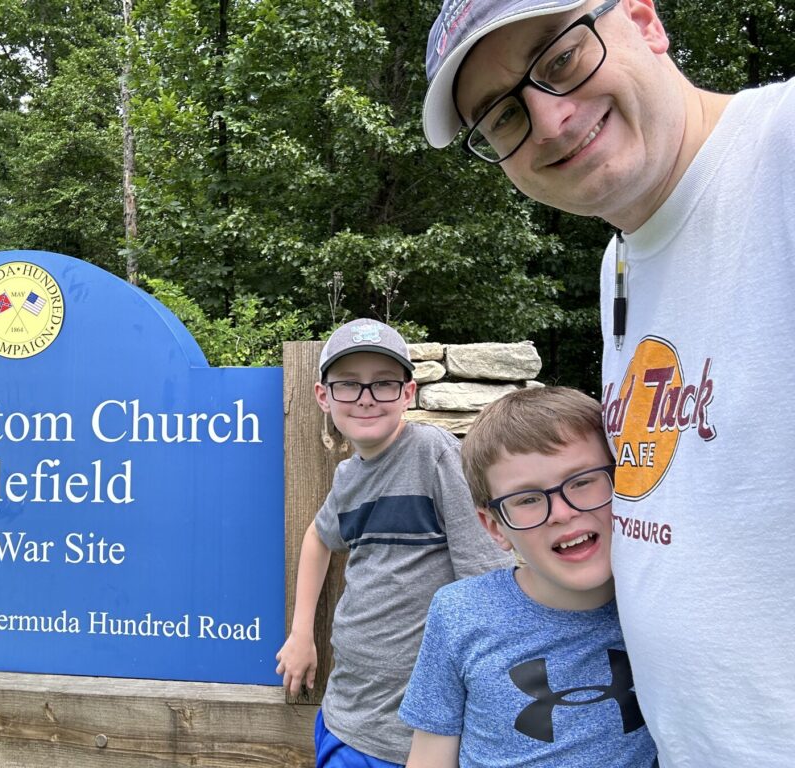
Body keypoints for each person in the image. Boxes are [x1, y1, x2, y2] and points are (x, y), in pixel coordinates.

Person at [421, 0, 795, 763]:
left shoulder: (781, 152)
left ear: (644, 19)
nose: (551, 121)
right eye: (501, 116)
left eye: (559, 59)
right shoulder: (621, 261)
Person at [275, 318, 512, 767]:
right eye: (348, 385)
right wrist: (301, 632)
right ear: (323, 396)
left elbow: (487, 582)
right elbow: (318, 536)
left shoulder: (434, 453)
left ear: (408, 392)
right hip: (342, 715)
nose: (365, 399)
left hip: (411, 739)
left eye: (383, 384)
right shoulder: (348, 476)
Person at [399, 386, 656, 767]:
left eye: (584, 480)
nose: (562, 513)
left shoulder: (661, 605)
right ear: (494, 527)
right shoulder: (460, 613)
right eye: (527, 499)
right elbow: (429, 758)